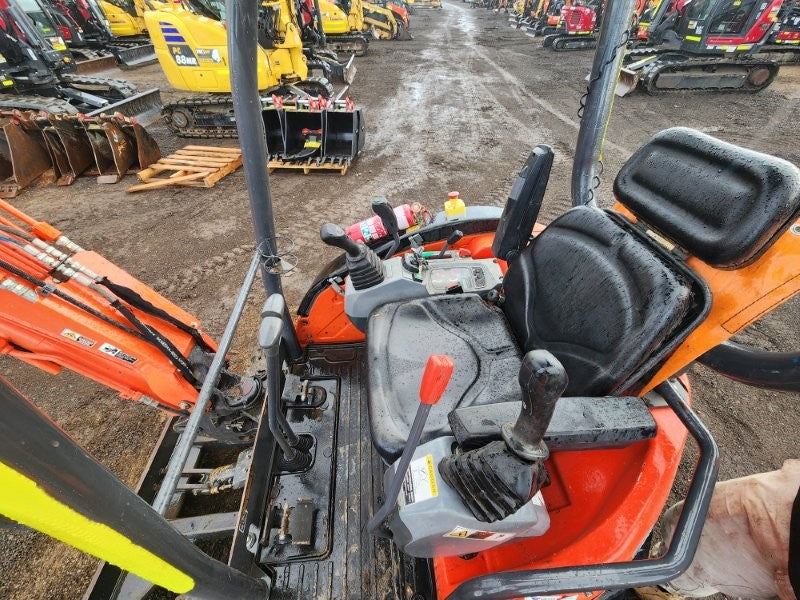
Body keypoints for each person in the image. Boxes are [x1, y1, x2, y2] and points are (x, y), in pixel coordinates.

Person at [639, 460, 800, 600]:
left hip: (777, 538)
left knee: (696, 555)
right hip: (776, 509)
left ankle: (662, 582)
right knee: (690, 535)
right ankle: (662, 578)